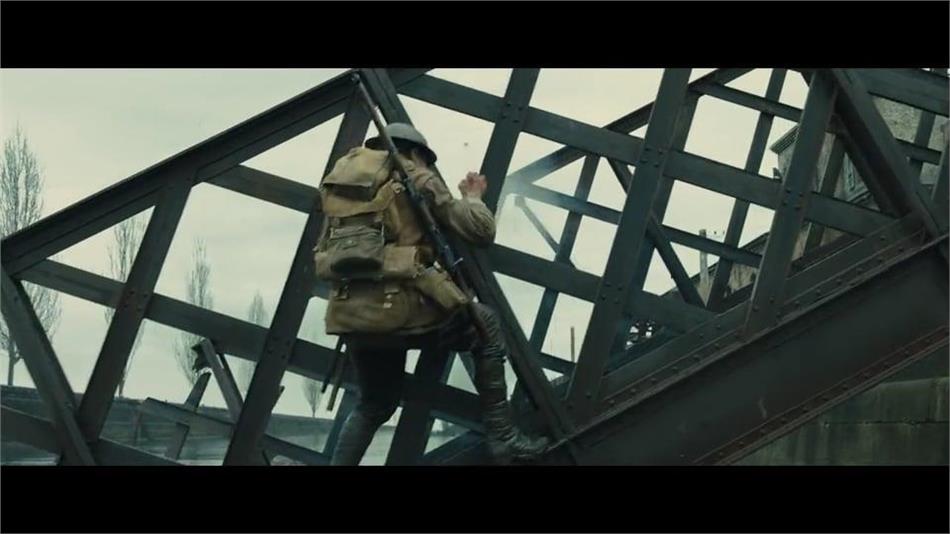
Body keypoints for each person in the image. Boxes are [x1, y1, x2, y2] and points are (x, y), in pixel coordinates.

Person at [313, 123, 550, 465]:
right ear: (414, 153)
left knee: (375, 404)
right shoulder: (415, 176)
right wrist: (472, 198)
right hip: (401, 309)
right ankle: (504, 439)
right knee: (486, 325)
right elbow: (480, 231)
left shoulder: (340, 185)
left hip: (351, 315)